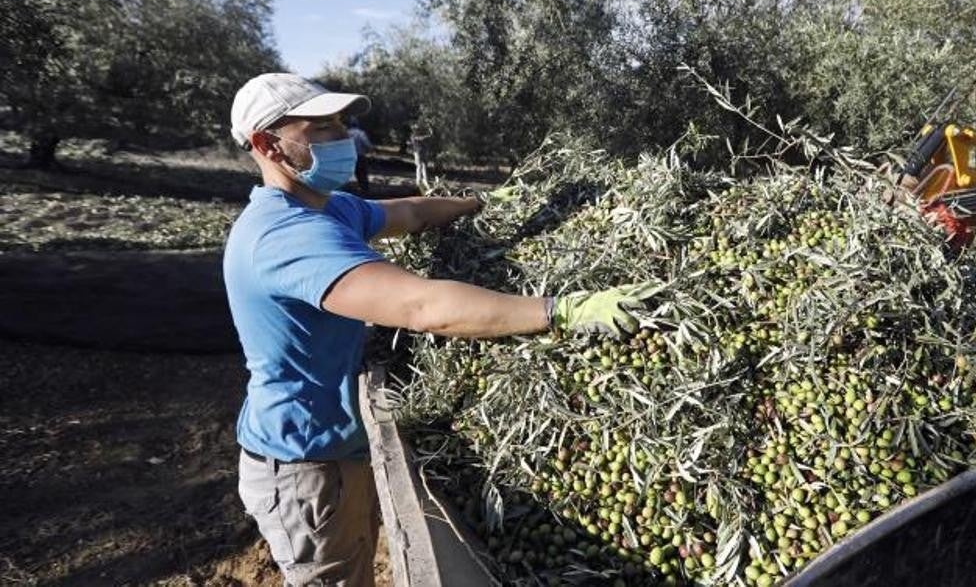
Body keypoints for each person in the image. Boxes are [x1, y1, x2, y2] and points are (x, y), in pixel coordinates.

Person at [225, 73, 657, 586]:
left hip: (335, 448)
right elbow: (424, 305)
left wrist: (477, 204)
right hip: (302, 465)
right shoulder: (287, 237)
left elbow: (407, 211)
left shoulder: (326, 208)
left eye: (341, 122)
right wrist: (559, 310)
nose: (341, 137)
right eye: (320, 127)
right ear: (267, 145)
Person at [345, 118, 373, 194]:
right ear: (358, 124)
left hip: (348, 157)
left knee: (346, 173)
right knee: (362, 173)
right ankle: (364, 189)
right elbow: (367, 144)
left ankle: (345, 189)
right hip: (359, 156)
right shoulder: (361, 133)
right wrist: (370, 150)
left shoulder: (346, 133)